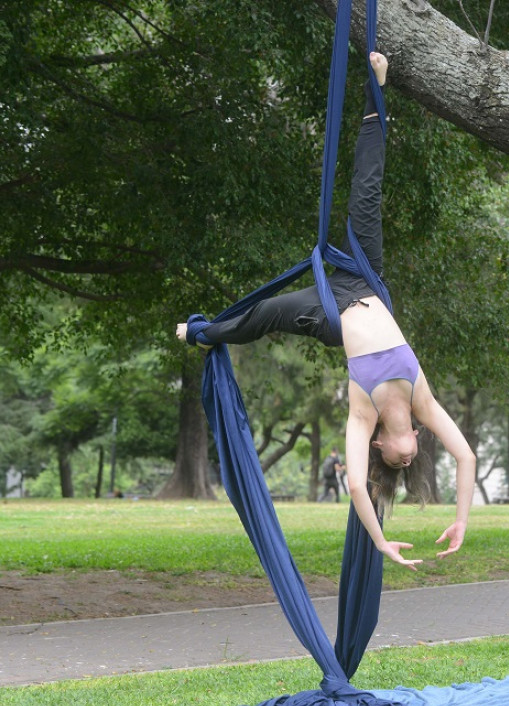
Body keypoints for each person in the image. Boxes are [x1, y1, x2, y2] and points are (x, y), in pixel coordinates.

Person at [178, 54, 475, 569]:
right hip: (366, 280)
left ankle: (204, 333)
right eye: (410, 459)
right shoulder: (422, 401)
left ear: (380, 442)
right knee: (367, 190)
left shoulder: (362, 414)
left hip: (328, 315)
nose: (406, 459)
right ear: (414, 438)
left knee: (266, 314)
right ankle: (377, 90)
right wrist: (463, 518)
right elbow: (466, 457)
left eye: (395, 462)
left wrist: (380, 542)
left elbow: (357, 483)